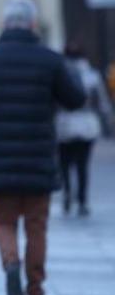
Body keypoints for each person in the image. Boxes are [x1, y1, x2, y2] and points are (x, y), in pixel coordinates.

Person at [0, 0, 86, 295]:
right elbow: (75, 99)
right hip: (39, 160)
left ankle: (10, 261)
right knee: (36, 227)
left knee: (3, 222)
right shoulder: (51, 60)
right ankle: (36, 293)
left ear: (3, 25)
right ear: (32, 25)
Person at [55, 43, 114, 216]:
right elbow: (103, 103)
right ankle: (82, 200)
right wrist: (107, 120)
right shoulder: (92, 75)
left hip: (63, 124)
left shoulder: (60, 74)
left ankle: (67, 193)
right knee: (82, 164)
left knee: (64, 164)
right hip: (87, 123)